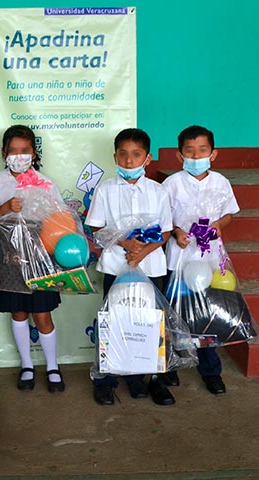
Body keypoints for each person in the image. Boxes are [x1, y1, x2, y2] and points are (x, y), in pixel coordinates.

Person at [85, 128, 175, 406]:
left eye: (136, 155)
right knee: (113, 319)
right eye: (122, 154)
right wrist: (126, 244)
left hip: (151, 268)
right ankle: (107, 378)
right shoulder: (106, 189)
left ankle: (149, 378)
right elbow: (96, 227)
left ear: (147, 158)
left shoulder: (158, 191)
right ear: (114, 156)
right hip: (116, 267)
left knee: (152, 324)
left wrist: (142, 251)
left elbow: (166, 232)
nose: (128, 160)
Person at [162, 125, 240, 395]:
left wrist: (219, 224)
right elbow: (163, 219)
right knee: (176, 314)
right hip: (180, 258)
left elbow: (230, 213)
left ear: (213, 153)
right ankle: (171, 366)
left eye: (202, 151)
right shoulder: (171, 184)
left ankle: (210, 370)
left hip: (211, 261)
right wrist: (176, 231)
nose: (196, 157)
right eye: (190, 152)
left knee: (209, 316)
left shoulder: (221, 182)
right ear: (179, 155)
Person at [0, 124, 65, 393]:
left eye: (25, 151)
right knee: (19, 311)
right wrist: (6, 207)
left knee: (42, 313)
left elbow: (59, 219)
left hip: (38, 256)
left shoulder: (45, 183)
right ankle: (26, 365)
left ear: (34, 153)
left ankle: (53, 366)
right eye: (13, 151)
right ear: (3, 153)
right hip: (9, 257)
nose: (19, 156)